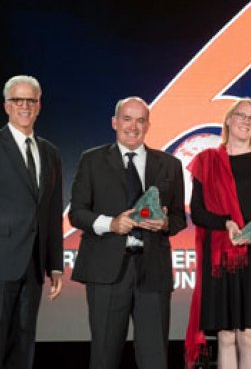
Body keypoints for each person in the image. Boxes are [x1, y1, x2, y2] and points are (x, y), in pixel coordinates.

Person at [70, 96, 186, 369]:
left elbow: (179, 217)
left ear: (148, 125)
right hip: (106, 270)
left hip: (153, 271)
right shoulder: (92, 160)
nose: (133, 126)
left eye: (140, 120)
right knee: (104, 357)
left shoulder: (169, 165)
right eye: (127, 118)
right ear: (114, 122)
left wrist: (166, 224)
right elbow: (77, 212)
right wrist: (111, 223)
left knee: (155, 358)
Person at [185, 97, 251, 369]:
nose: (246, 121)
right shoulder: (206, 161)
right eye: (241, 115)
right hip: (221, 259)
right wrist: (226, 224)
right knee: (226, 336)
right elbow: (197, 212)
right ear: (228, 120)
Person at [0, 75, 63, 369]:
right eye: (18, 100)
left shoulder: (49, 152)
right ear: (7, 106)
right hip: (2, 259)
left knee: (24, 342)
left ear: (39, 106)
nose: (24, 106)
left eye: (30, 100)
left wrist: (55, 264)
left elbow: (51, 212)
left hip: (34, 264)